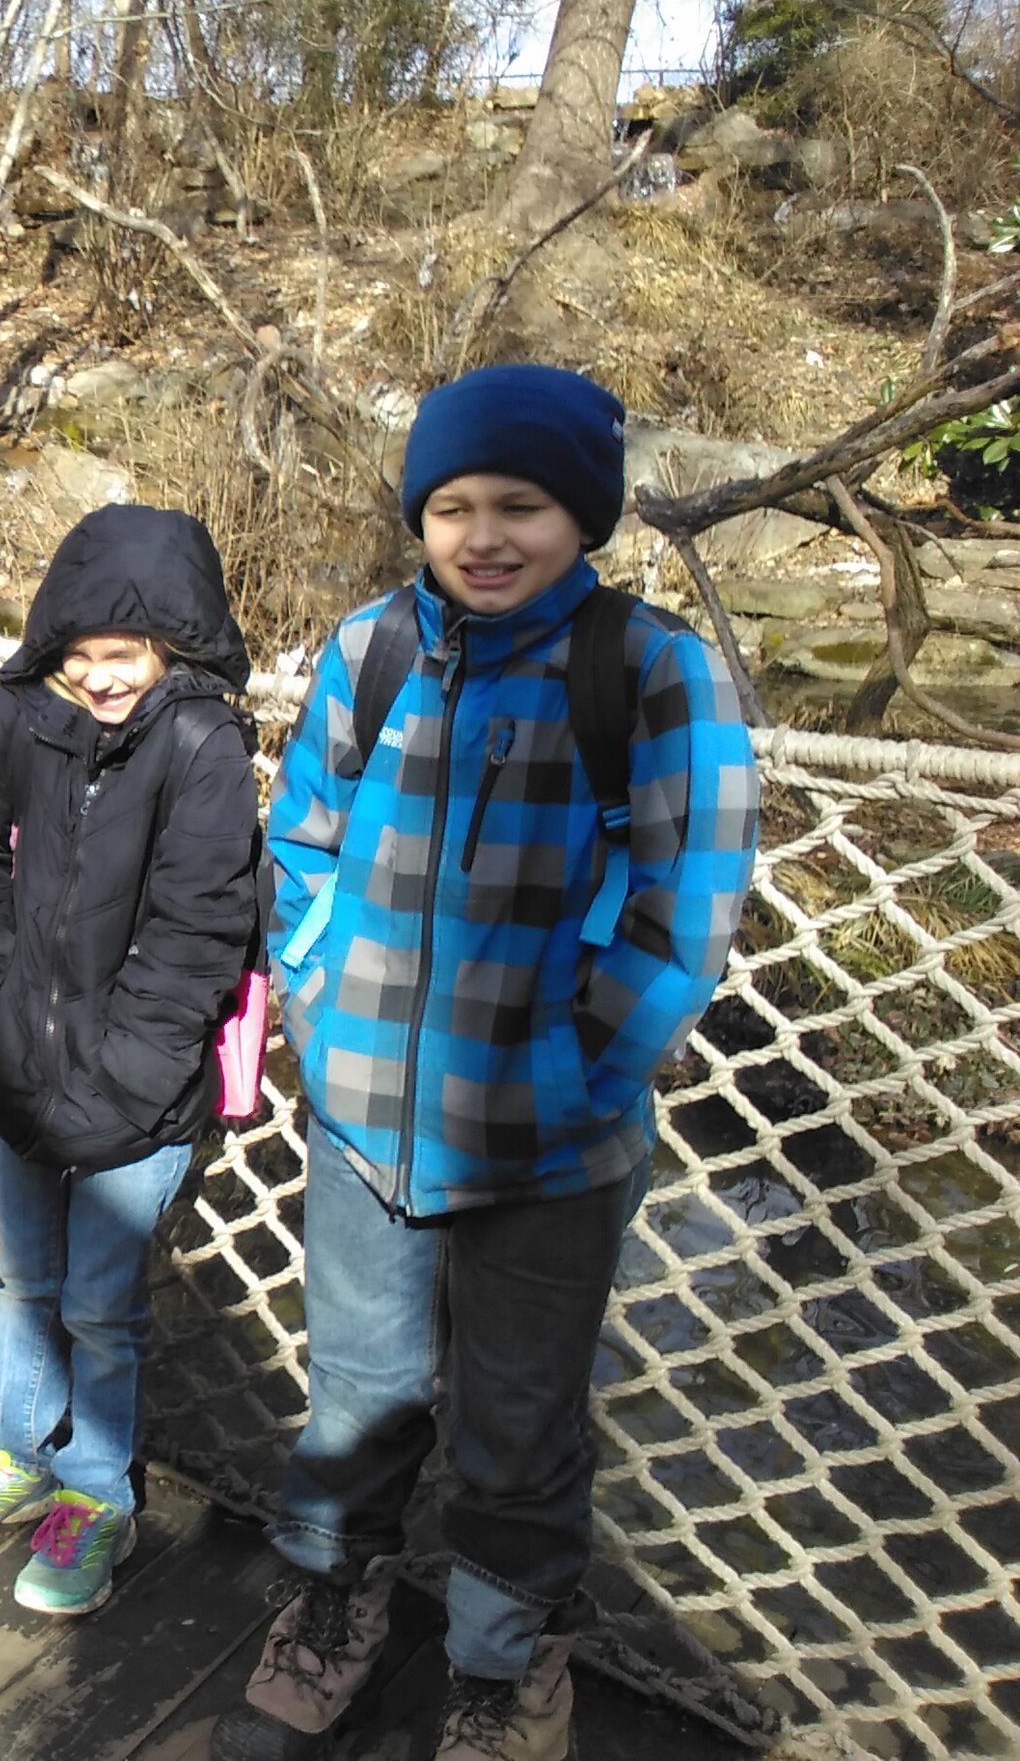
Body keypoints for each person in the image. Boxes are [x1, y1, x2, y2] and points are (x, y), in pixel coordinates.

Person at [215, 365, 760, 1761]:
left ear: (585, 512)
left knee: (518, 1428)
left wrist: (574, 1073)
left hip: (549, 1149)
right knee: (358, 1393)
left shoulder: (647, 670)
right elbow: (304, 841)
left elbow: (679, 911)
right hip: (365, 1126)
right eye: (451, 505)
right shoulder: (373, 649)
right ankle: (335, 1605)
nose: (482, 533)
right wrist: (322, 1009)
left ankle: (502, 1667)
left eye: (519, 502)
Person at [0, 501, 263, 1617]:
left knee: (103, 1311)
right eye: (79, 657)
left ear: (173, 646)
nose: (101, 679)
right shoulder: (21, 718)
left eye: (123, 656)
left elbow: (199, 929)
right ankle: (14, 1455)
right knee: (27, 1284)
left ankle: (95, 1495)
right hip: (21, 1061)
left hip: (138, 1090)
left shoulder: (203, 745)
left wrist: (128, 1072)